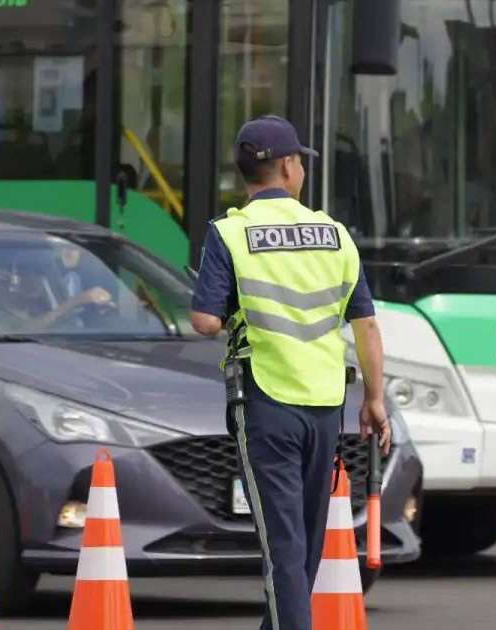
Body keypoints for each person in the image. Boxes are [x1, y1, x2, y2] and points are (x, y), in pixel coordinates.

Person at [188, 115, 390, 630]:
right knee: (303, 548)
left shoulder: (229, 234)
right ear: (288, 166)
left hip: (265, 404)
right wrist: (374, 399)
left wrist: (232, 310)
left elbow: (205, 320)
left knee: (284, 551)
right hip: (326, 407)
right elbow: (365, 323)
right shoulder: (334, 234)